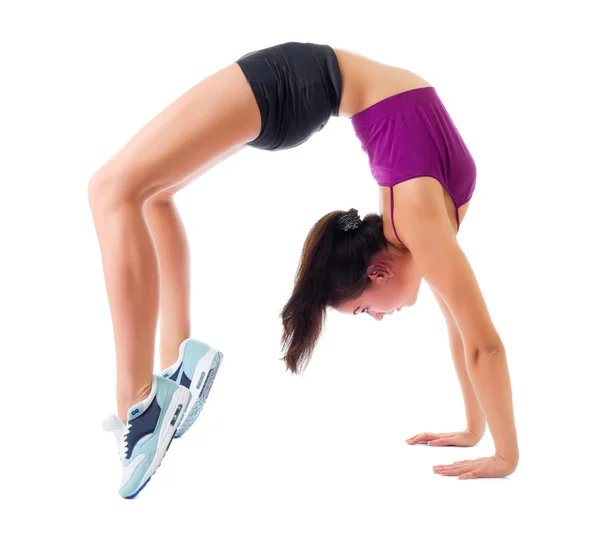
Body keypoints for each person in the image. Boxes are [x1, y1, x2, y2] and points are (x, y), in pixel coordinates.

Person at [89, 42, 518, 498]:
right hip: (295, 81)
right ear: (377, 274)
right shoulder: (417, 221)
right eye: (362, 311)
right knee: (116, 192)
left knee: (143, 193)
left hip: (304, 87)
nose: (375, 318)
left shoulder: (421, 229)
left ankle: (177, 372)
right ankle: (143, 401)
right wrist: (506, 456)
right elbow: (484, 346)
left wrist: (475, 428)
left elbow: (463, 331)